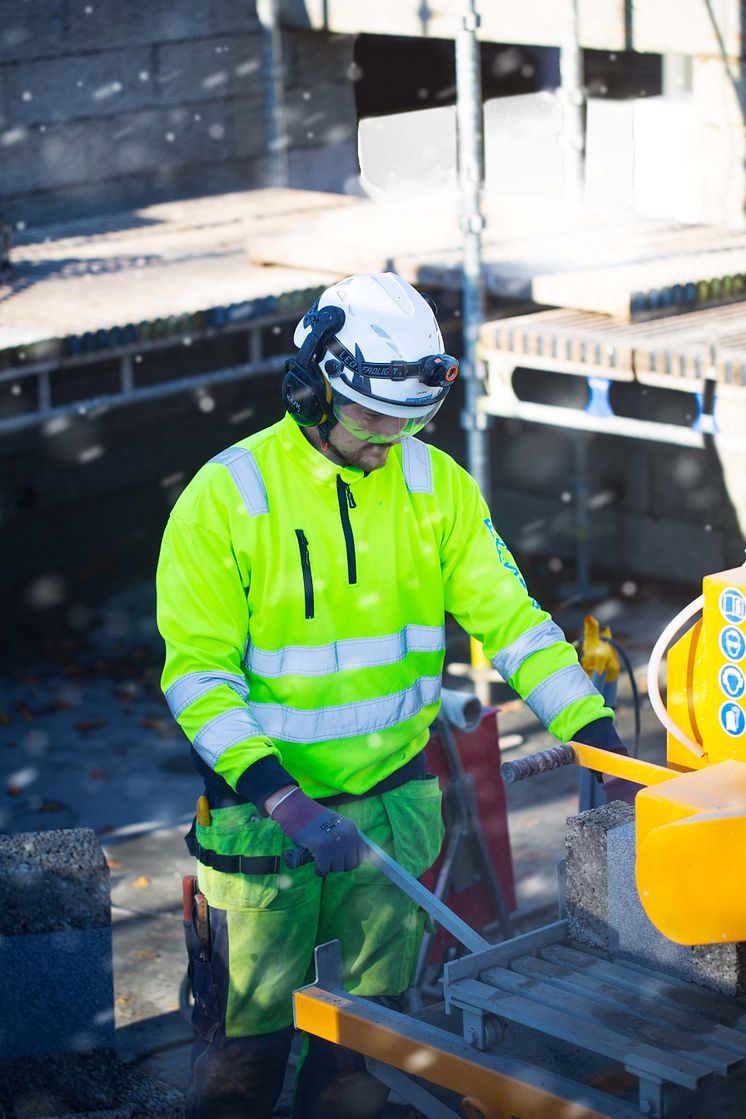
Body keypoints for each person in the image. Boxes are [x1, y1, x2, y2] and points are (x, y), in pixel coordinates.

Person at [156, 272, 626, 1119]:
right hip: (267, 820)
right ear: (309, 388)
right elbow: (198, 674)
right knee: (242, 1060)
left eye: (412, 419)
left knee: (368, 1050)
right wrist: (285, 800)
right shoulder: (225, 500)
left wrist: (590, 720)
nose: (393, 437)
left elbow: (510, 619)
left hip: (392, 806)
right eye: (374, 416)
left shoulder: (434, 485)